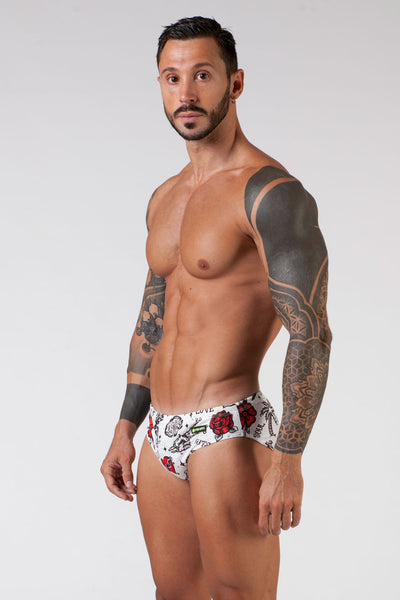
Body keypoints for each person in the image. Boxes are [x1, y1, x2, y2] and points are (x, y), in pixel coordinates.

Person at [101, 15, 332, 600]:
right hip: (161, 431)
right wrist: (127, 426)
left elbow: (311, 333)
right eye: (172, 77)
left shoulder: (270, 194)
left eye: (202, 75)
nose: (186, 92)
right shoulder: (165, 197)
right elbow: (153, 316)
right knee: (173, 594)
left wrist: (288, 459)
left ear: (235, 83)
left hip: (229, 429)